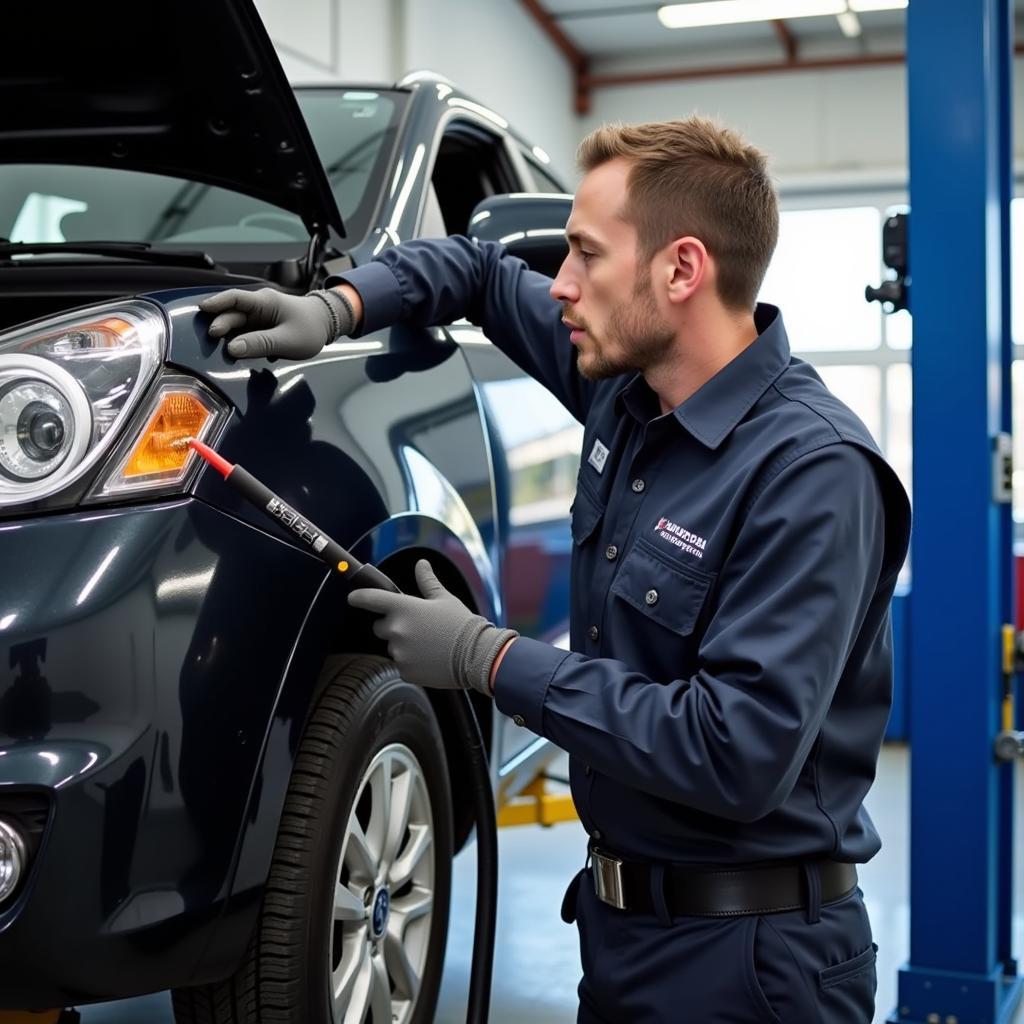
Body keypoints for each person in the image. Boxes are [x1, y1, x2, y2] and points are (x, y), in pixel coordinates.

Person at [200, 116, 911, 1024]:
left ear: (681, 270)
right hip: (620, 935)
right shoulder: (628, 388)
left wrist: (488, 660)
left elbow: (735, 753)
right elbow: (480, 271)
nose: (562, 286)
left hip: (754, 966)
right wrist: (338, 309)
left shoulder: (812, 475)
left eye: (584, 255)